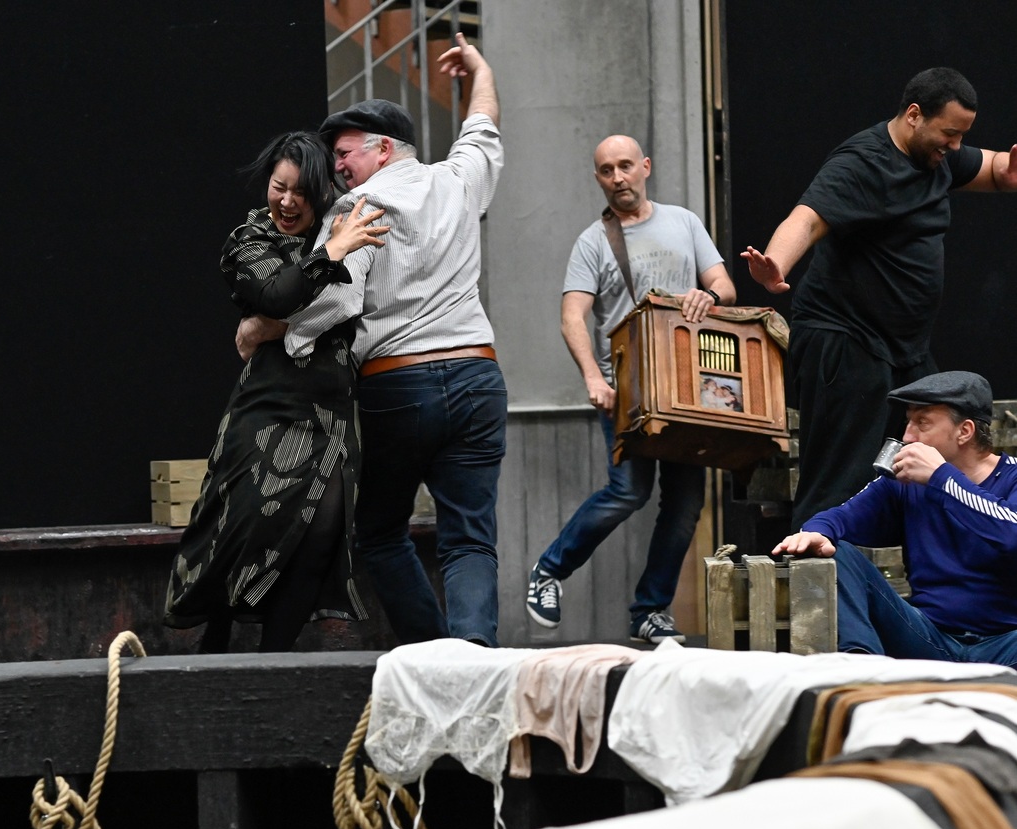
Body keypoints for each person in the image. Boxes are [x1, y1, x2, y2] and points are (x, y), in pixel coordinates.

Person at [235, 34, 506, 646]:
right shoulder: (457, 181)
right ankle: (474, 665)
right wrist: (481, 69)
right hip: (477, 376)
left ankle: (436, 658)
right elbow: (483, 124)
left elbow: (337, 299)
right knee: (471, 539)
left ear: (384, 150)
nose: (336, 167)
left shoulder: (357, 207)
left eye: (345, 153)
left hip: (399, 383)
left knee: (381, 534)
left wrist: (270, 329)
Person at [742, 68, 1017, 528]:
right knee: (839, 483)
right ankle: (819, 577)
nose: (955, 146)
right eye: (950, 134)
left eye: (962, 135)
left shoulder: (938, 156)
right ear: (914, 115)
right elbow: (806, 220)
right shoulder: (862, 163)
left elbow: (990, 167)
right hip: (846, 340)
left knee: (927, 460)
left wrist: (1008, 172)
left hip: (903, 350)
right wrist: (776, 264)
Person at [163, 131, 389, 653]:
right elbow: (275, 294)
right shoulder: (253, 237)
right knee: (239, 530)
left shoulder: (346, 228)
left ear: (320, 193)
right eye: (278, 187)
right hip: (266, 407)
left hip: (332, 412)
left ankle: (275, 661)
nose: (286, 202)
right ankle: (214, 644)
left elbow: (351, 299)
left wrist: (335, 248)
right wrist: (330, 251)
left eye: (300, 193)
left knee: (317, 541)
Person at [525, 134, 736, 643]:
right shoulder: (593, 241)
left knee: (685, 505)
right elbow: (572, 315)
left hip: (689, 383)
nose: (617, 177)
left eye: (625, 166)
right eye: (605, 170)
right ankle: (549, 571)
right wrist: (593, 378)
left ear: (645, 167)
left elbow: (725, 287)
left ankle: (650, 611)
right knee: (628, 492)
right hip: (626, 387)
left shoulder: (684, 221)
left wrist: (707, 297)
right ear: (598, 178)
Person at [773, 370, 1017, 666]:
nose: (907, 436)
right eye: (908, 422)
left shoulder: (1011, 476)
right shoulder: (906, 481)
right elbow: (842, 515)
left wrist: (942, 479)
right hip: (929, 638)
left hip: (1006, 643)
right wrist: (817, 531)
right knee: (838, 552)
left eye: (922, 423)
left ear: (964, 431)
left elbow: (1010, 534)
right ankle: (863, 667)